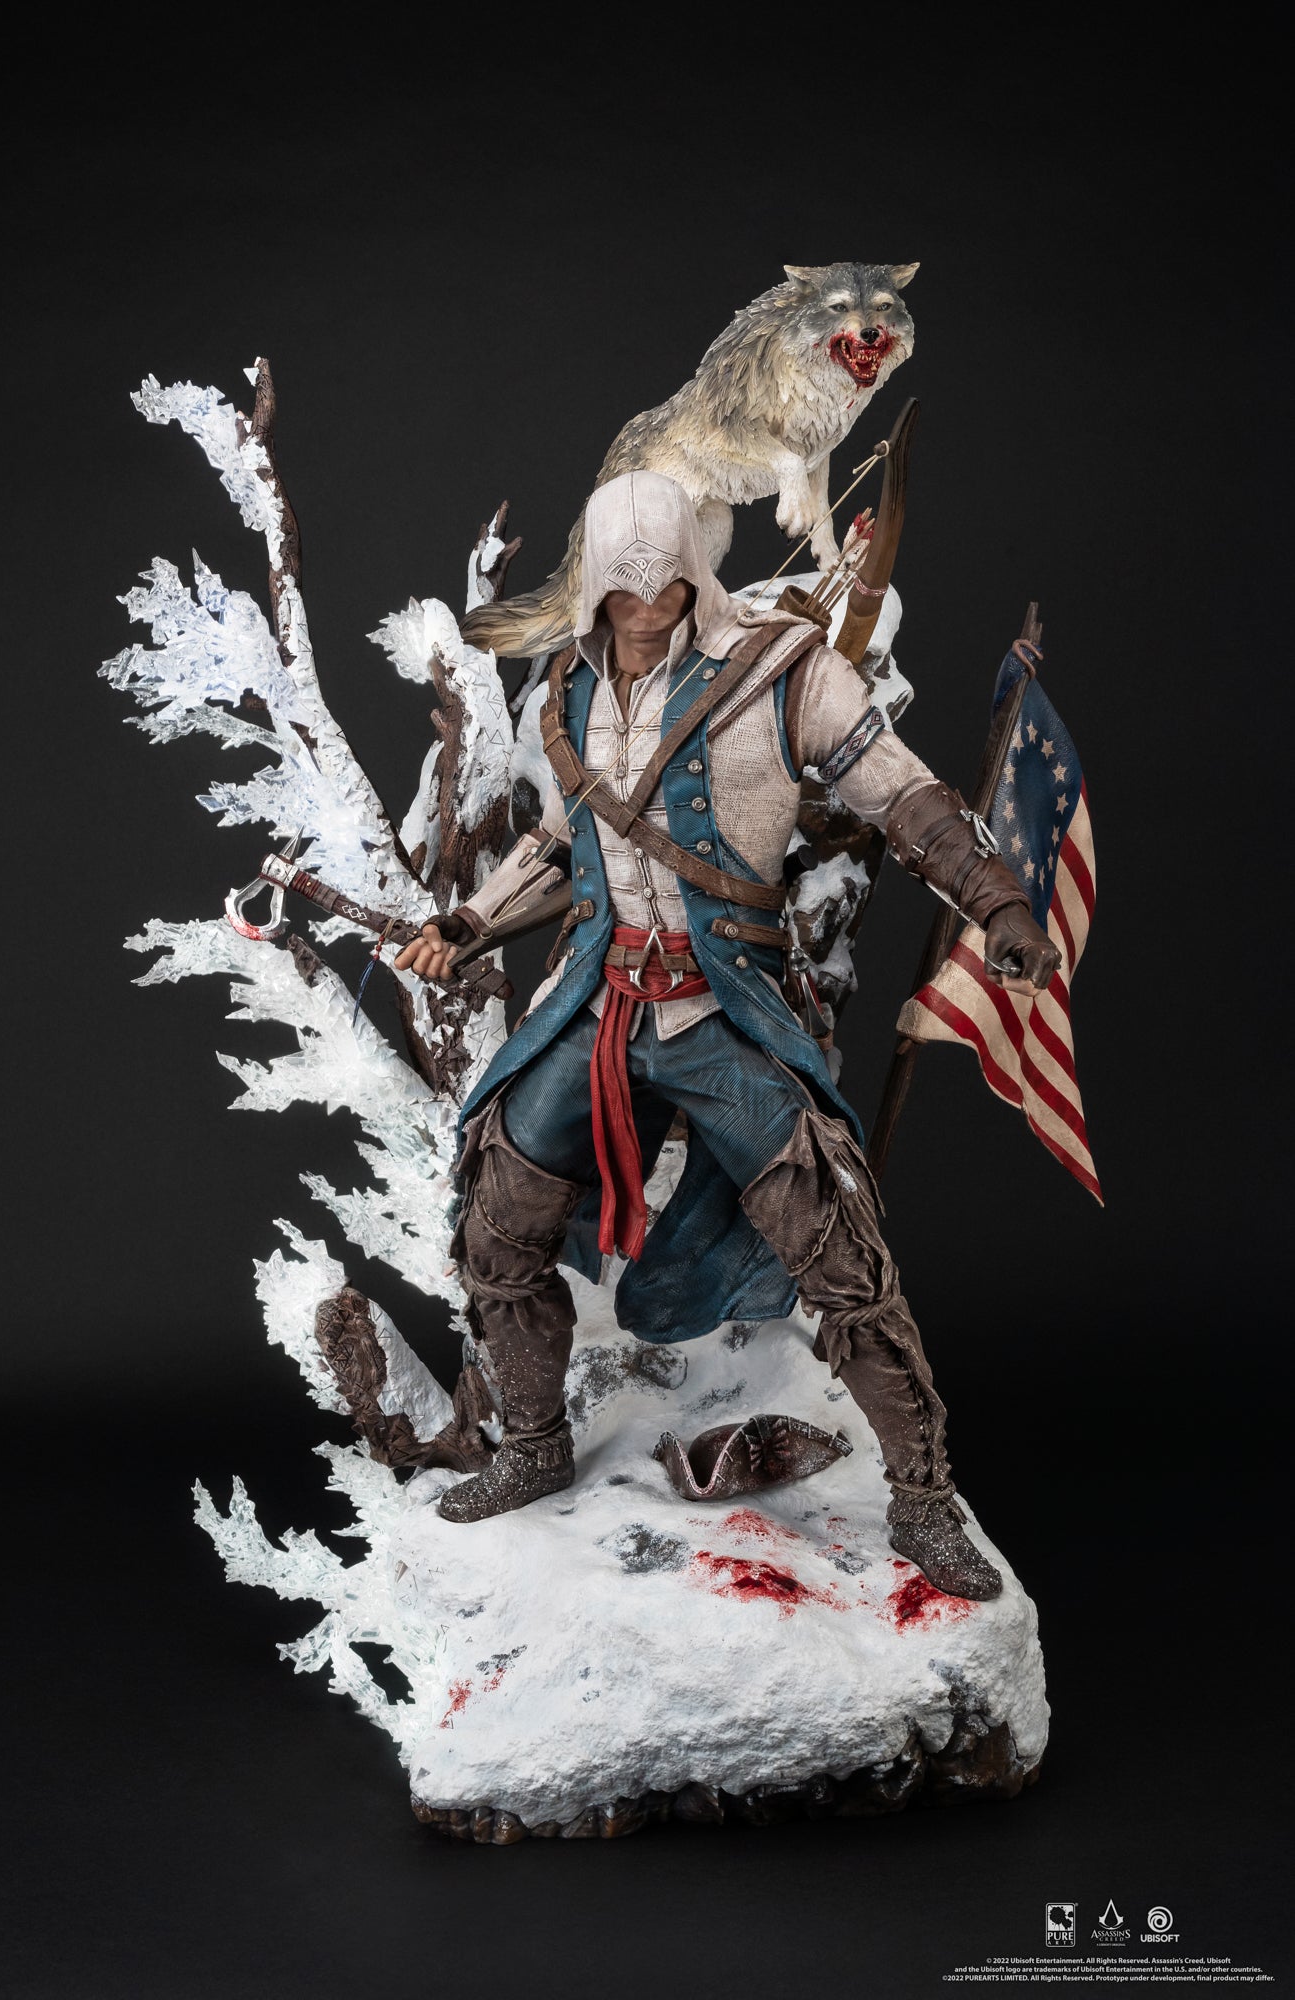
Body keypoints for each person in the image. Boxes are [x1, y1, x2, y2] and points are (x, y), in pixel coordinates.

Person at [398, 471, 1058, 1598]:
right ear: (593, 588)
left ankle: (923, 1499)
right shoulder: (566, 684)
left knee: (836, 1245)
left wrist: (997, 903)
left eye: (661, 586)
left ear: (694, 578)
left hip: (720, 1008)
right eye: (621, 591)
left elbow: (904, 795)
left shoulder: (785, 669)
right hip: (599, 1002)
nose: (642, 607)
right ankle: (535, 1446)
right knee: (496, 1214)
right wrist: (469, 923)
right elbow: (563, 847)